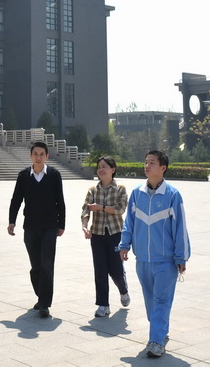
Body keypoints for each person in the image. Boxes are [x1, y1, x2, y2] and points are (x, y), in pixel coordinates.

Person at [118, 150, 190, 359]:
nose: (147, 166)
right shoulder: (137, 193)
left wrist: (181, 257)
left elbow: (180, 228)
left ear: (163, 168)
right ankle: (160, 333)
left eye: (152, 163)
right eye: (145, 162)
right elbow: (129, 222)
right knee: (151, 302)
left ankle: (156, 341)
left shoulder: (173, 195)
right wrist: (124, 244)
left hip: (165, 261)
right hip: (142, 260)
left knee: (161, 301)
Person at [7, 141, 65, 318]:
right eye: (35, 154)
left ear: (47, 156)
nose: (38, 157)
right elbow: (16, 200)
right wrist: (12, 221)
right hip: (30, 227)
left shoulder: (54, 175)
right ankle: (41, 297)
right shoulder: (23, 176)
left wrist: (61, 224)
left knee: (47, 265)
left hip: (50, 227)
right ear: (31, 156)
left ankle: (45, 304)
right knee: (36, 267)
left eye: (41, 154)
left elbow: (60, 201)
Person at [81, 155, 130, 318]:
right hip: (97, 234)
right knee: (100, 270)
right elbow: (86, 209)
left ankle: (123, 290)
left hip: (116, 234)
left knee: (116, 270)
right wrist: (85, 226)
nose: (101, 169)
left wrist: (101, 207)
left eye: (104, 166)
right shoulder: (92, 190)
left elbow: (120, 209)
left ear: (113, 169)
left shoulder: (120, 189)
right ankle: (103, 305)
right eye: (99, 167)